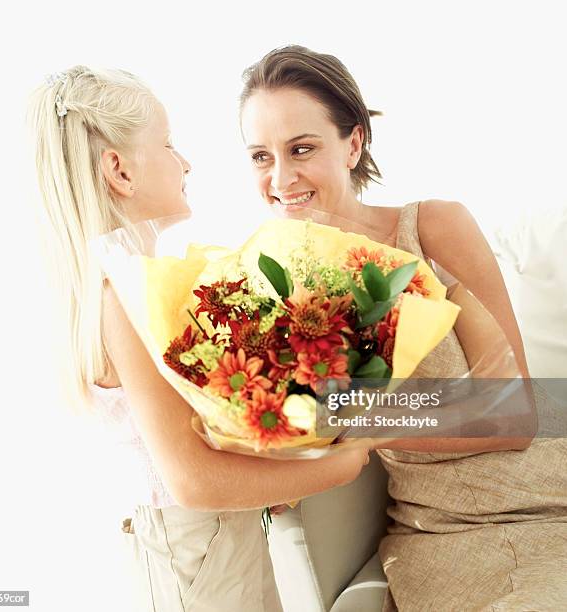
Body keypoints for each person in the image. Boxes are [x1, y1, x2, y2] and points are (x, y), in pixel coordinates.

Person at [29, 66, 370, 612]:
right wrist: (346, 462)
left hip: (204, 543)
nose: (184, 162)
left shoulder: (131, 285)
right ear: (119, 169)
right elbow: (191, 481)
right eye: (167, 145)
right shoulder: (123, 300)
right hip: (193, 552)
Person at [239, 45, 567, 611]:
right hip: (442, 533)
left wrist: (350, 418)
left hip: (545, 497)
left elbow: (517, 413)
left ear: (355, 142)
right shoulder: (277, 292)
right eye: (260, 157)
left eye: (301, 148)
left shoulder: (433, 228)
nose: (281, 177)